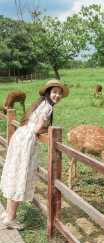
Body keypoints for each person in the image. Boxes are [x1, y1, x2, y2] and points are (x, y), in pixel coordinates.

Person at [0, 79, 69, 229]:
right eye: (54, 92)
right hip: (27, 140)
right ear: (48, 92)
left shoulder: (39, 103)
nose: (57, 95)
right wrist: (45, 131)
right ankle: (10, 218)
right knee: (20, 176)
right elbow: (38, 128)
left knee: (14, 172)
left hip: (20, 135)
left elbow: (29, 121)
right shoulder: (48, 107)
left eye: (59, 93)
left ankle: (7, 213)